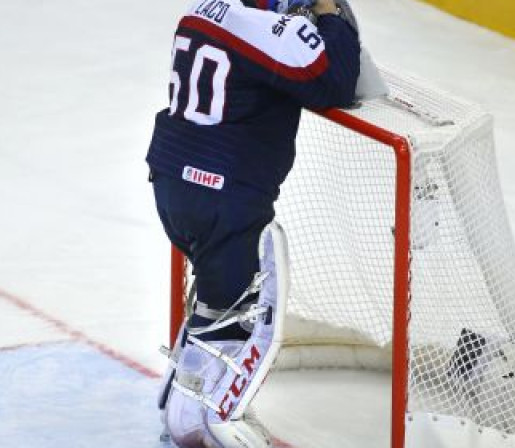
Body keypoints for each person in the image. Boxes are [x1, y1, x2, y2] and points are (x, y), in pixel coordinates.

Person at [146, 0, 360, 446]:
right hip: (223, 199)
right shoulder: (269, 31)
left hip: (172, 183)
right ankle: (198, 431)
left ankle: (174, 408)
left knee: (213, 308)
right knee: (234, 329)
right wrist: (331, 16)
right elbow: (335, 82)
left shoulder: (200, 10)